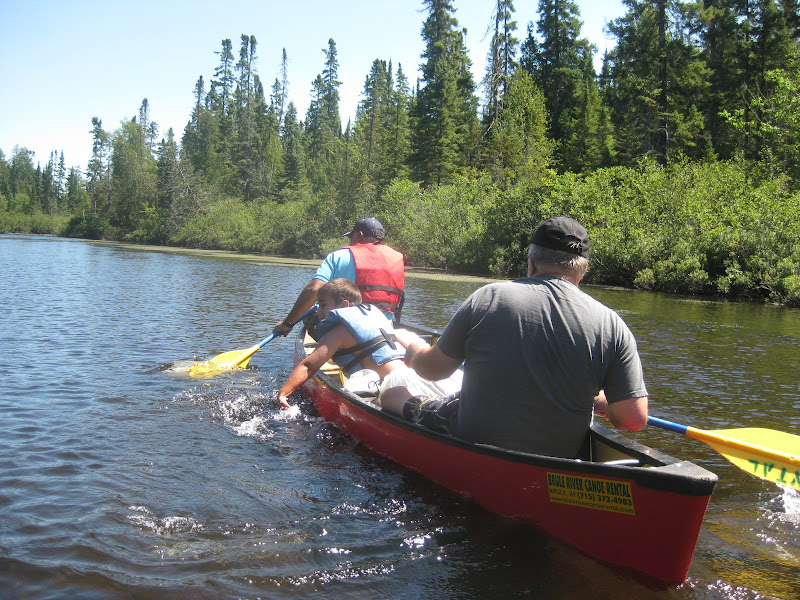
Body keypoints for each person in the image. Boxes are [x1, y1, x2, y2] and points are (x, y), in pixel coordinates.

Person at [380, 216, 649, 459]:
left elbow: (432, 371)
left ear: (531, 262)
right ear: (582, 270)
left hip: (473, 441)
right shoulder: (613, 325)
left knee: (392, 394)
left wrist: (415, 351)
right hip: (560, 458)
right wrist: (602, 402)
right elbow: (633, 420)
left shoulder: (489, 298)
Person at [277, 279, 461, 408]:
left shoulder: (338, 332)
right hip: (422, 376)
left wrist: (284, 393)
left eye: (323, 305)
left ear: (344, 306)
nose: (319, 312)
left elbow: (309, 365)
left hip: (397, 385)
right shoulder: (375, 317)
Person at [273, 217, 405, 337]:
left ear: (359, 235)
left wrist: (288, 323)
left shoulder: (339, 256)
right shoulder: (396, 259)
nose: (350, 242)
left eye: (351, 237)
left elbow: (313, 290)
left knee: (311, 311)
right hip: (383, 332)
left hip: (344, 334)